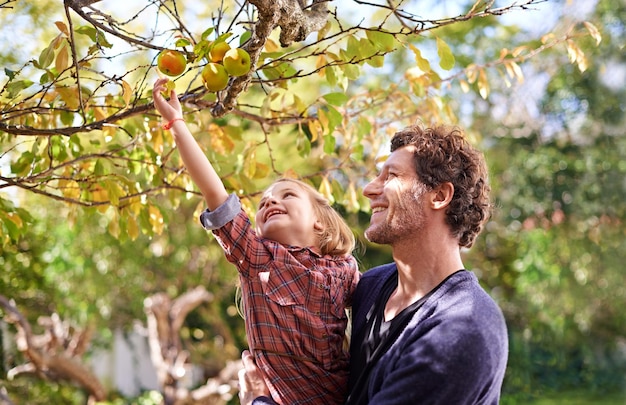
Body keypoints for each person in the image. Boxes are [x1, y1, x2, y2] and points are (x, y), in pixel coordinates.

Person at [239, 123, 509, 404]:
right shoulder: (370, 287)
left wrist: (259, 401)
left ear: (439, 196)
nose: (369, 189)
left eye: (391, 176)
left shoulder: (462, 331)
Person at [152, 78, 361, 405]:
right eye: (262, 201)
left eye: (286, 194)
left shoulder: (345, 269)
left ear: (319, 222)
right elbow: (216, 195)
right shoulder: (258, 259)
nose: (268, 202)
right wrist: (176, 122)